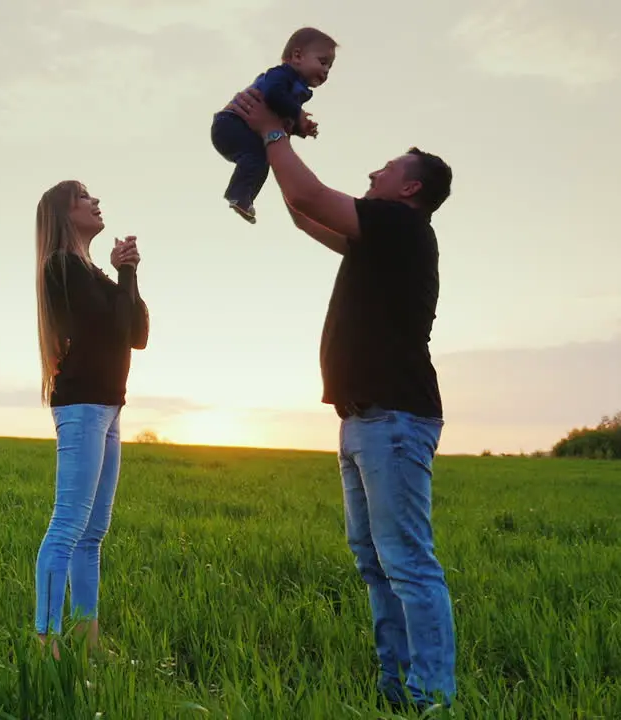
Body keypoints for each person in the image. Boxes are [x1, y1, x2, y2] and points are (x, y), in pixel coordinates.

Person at [225, 89, 457, 712]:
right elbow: (304, 213)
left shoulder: (402, 227)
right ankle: (396, 690)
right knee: (376, 564)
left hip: (395, 419)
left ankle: (431, 698)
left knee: (408, 562)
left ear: (411, 189)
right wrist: (277, 144)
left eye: (387, 169)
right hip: (362, 420)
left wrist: (274, 129)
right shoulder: (376, 237)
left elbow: (308, 197)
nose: (375, 172)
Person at [32, 179, 150, 659]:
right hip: (82, 406)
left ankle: (87, 639)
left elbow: (136, 334)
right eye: (84, 197)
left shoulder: (95, 273)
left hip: (108, 405)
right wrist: (122, 275)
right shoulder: (62, 267)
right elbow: (116, 326)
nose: (96, 201)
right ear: (64, 213)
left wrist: (128, 273)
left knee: (92, 534)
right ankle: (45, 641)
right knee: (68, 526)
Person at [210, 27, 336, 224]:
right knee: (257, 156)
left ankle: (243, 197)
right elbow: (272, 96)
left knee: (263, 159)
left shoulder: (297, 88)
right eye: (322, 62)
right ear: (297, 56)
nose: (326, 71)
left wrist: (299, 128)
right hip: (231, 124)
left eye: (330, 67)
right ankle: (239, 193)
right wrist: (297, 113)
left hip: (243, 128)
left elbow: (277, 117)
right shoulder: (281, 75)